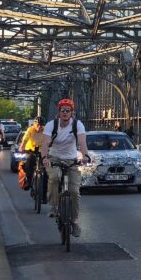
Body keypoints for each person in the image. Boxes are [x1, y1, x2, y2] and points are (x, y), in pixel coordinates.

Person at [40, 99, 90, 237]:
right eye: (63, 110)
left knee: (74, 191)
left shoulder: (77, 125)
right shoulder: (51, 125)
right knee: (55, 177)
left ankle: (74, 221)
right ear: (59, 112)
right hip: (54, 158)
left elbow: (82, 141)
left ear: (72, 112)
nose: (65, 113)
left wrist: (85, 155)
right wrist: (44, 158)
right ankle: (54, 206)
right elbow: (45, 143)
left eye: (68, 110)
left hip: (71, 159)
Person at [17, 116, 45, 186]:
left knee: (46, 166)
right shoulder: (30, 129)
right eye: (38, 124)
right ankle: (28, 180)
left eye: (41, 125)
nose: (39, 127)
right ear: (34, 124)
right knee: (28, 164)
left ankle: (45, 185)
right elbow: (25, 139)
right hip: (30, 150)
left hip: (41, 151)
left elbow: (49, 140)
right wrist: (22, 147)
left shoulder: (45, 130)